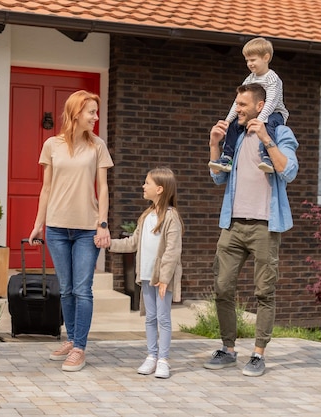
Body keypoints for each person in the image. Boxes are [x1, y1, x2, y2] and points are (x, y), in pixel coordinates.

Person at [204, 83, 298, 377]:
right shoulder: (235, 135)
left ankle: (258, 354)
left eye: (242, 105)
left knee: (264, 292)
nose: (237, 109)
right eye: (237, 104)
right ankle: (228, 348)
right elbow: (218, 179)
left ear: (260, 106)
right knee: (222, 288)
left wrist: (266, 138)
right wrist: (214, 144)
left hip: (265, 226)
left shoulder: (281, 133)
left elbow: (289, 171)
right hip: (232, 225)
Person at [28, 90, 113, 372]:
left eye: (96, 112)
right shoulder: (51, 145)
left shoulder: (97, 145)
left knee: (82, 290)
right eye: (91, 112)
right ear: (76, 113)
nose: (95, 117)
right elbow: (46, 188)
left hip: (87, 228)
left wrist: (103, 223)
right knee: (65, 289)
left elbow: (102, 187)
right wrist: (39, 223)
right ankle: (72, 339)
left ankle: (79, 348)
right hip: (56, 227)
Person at [107, 167, 183, 379]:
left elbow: (173, 250)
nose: (143, 186)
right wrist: (108, 244)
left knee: (163, 318)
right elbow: (132, 243)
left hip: (161, 280)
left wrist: (165, 278)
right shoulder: (146, 216)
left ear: (159, 189)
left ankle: (163, 360)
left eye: (147, 183)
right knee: (150, 317)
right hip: (146, 277)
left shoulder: (171, 217)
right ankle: (151, 356)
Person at [208, 37, 289, 174]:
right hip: (257, 114)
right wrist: (228, 120)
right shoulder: (250, 78)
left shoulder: (273, 78)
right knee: (234, 125)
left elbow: (271, 102)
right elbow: (237, 102)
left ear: (266, 57)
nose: (249, 64)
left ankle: (267, 158)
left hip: (274, 112)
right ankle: (228, 157)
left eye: (252, 60)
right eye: (247, 60)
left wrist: (260, 120)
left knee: (268, 124)